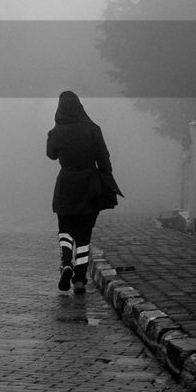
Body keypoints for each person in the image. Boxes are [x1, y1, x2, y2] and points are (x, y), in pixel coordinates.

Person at [45, 90, 122, 294]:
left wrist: (56, 133)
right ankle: (79, 280)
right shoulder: (93, 129)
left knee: (65, 228)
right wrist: (107, 181)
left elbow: (51, 154)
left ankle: (66, 262)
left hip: (66, 184)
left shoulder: (56, 132)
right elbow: (104, 159)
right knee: (84, 235)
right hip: (89, 186)